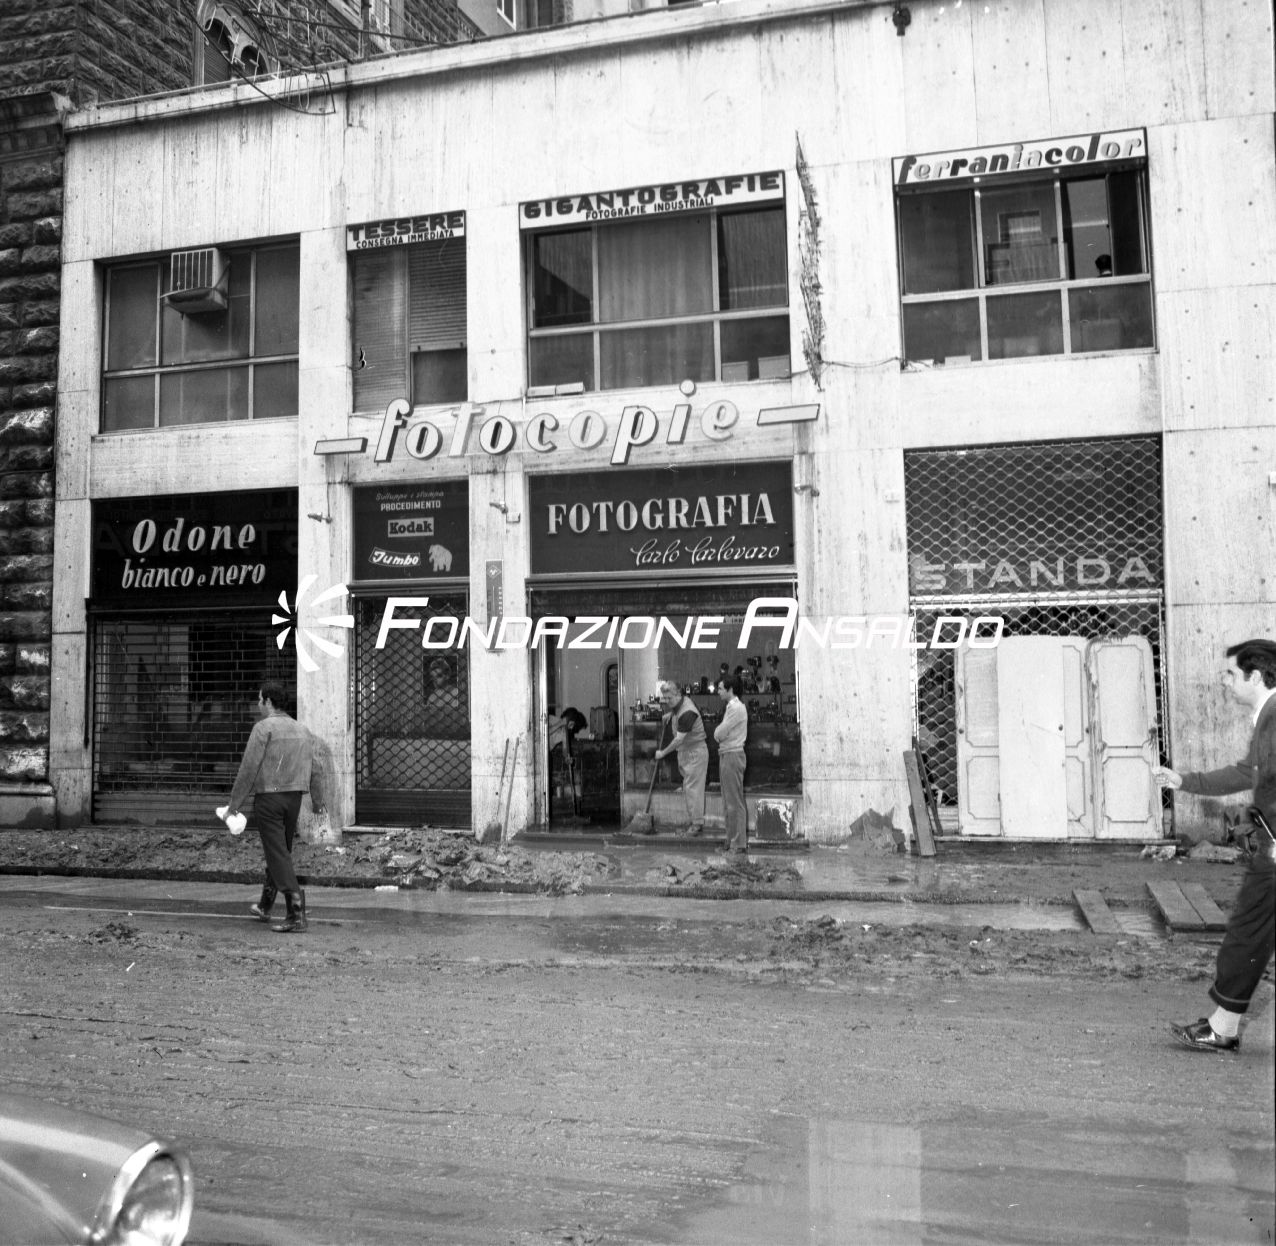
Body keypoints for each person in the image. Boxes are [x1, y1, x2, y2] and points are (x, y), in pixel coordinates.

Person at [1154, 639, 1276, 1052]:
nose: (1224, 682)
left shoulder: (1274, 716)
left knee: (1247, 934)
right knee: (1249, 935)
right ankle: (1222, 1026)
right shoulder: (1268, 716)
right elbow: (1246, 772)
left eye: (1230, 674)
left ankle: (1222, 1028)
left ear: (1254, 677)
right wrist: (1185, 781)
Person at [224, 681, 327, 934]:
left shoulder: (263, 728)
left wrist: (233, 806)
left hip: (269, 799)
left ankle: (296, 913)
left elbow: (248, 769)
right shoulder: (302, 730)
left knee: (277, 853)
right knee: (280, 851)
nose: (258, 704)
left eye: (260, 700)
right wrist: (318, 803)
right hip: (294, 800)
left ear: (268, 702)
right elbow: (317, 769)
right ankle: (265, 905)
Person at [654, 679, 708, 836]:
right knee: (689, 790)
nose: (667, 701)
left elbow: (678, 740)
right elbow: (678, 709)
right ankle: (694, 822)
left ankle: (696, 825)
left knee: (693, 791)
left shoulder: (688, 712)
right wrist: (670, 714)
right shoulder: (681, 704)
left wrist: (663, 753)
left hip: (695, 753)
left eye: (669, 698)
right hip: (687, 753)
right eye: (665, 698)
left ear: (678, 694)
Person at [715, 674, 749, 855]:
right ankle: (731, 841)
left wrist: (718, 733)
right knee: (729, 801)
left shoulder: (736, 708)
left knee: (734, 802)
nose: (718, 692)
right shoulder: (731, 707)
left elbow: (719, 733)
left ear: (730, 689)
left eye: (721, 688)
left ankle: (738, 844)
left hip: (732, 755)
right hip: (728, 754)